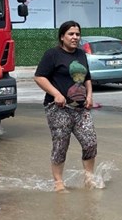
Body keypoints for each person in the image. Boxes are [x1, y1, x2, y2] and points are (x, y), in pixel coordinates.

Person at [33, 20, 100, 191]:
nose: (75, 37)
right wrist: (56, 94)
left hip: (81, 109)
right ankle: (58, 183)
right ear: (62, 37)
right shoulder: (52, 55)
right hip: (58, 109)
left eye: (77, 34)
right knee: (61, 144)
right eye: (71, 34)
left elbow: (87, 78)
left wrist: (90, 95)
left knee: (90, 142)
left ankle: (89, 178)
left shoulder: (81, 54)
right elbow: (39, 77)